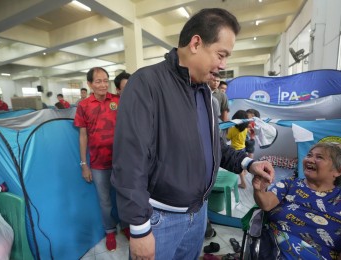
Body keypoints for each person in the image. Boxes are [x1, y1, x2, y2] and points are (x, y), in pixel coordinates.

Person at [112, 8, 275, 260]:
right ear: (196, 43)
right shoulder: (147, 84)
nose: (223, 65)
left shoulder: (205, 94)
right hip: (159, 220)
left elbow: (215, 147)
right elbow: (129, 161)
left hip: (198, 215)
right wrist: (140, 229)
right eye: (221, 55)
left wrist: (249, 163)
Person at [253, 142, 341, 259]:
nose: (310, 160)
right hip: (279, 251)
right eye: (309, 155)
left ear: (338, 171)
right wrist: (260, 190)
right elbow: (266, 204)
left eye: (319, 157)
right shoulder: (290, 184)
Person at [73, 67, 129, 252]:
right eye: (98, 81)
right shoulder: (84, 105)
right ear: (89, 84)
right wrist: (84, 165)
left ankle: (127, 226)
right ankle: (110, 231)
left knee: (124, 197)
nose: (103, 84)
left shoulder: (117, 101)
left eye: (106, 80)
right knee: (105, 201)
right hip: (98, 164)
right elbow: (83, 136)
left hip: (121, 161)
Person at [226, 110, 249, 189]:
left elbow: (228, 139)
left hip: (235, 150)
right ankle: (245, 171)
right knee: (242, 164)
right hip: (243, 148)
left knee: (237, 168)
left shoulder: (232, 129)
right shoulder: (245, 129)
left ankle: (243, 183)